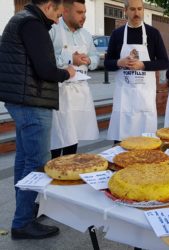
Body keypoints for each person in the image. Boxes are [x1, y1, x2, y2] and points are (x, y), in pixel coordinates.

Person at [0, 0, 75, 240]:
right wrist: (67, 72)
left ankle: (27, 211)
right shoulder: (33, 25)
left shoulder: (21, 19)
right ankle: (23, 222)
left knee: (24, 160)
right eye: (58, 14)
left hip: (21, 100)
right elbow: (46, 70)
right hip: (33, 102)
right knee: (37, 163)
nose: (57, 20)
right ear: (49, 6)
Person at [105, 0, 169, 141]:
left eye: (140, 9)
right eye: (133, 9)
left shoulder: (153, 33)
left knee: (146, 143)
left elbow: (164, 62)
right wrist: (119, 62)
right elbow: (107, 63)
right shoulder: (117, 34)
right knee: (121, 143)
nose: (137, 13)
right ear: (125, 10)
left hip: (144, 98)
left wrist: (143, 65)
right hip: (124, 97)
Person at [49, 0, 99, 158]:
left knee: (74, 134)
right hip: (59, 92)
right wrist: (70, 58)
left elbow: (96, 57)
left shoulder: (86, 35)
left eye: (84, 12)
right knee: (57, 137)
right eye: (79, 13)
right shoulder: (53, 30)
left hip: (80, 93)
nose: (83, 16)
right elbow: (46, 59)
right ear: (65, 11)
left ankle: (69, 167)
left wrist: (89, 61)